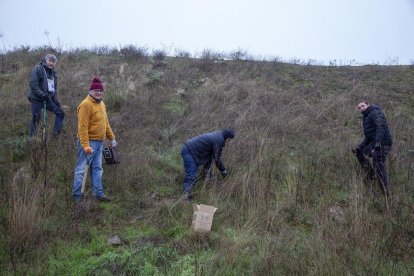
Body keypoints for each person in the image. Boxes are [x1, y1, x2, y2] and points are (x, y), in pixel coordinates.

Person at [73, 77, 117, 203]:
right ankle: (77, 198)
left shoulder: (102, 103)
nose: (98, 92)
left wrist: (111, 138)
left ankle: (98, 194)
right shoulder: (85, 105)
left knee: (97, 169)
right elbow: (82, 128)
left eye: (100, 90)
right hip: (88, 143)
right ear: (90, 91)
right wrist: (86, 146)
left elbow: (106, 123)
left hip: (99, 142)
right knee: (81, 170)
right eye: (96, 90)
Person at [181, 128, 235, 200]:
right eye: (230, 140)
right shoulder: (219, 140)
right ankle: (186, 196)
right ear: (227, 138)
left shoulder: (219, 135)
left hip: (191, 149)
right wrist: (223, 171)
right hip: (189, 150)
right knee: (192, 175)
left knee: (208, 160)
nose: (230, 142)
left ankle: (208, 178)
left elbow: (211, 156)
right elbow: (217, 159)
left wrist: (209, 173)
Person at [354, 100, 393, 196]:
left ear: (367, 105)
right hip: (374, 142)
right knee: (360, 153)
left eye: (362, 106)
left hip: (384, 143)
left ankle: (385, 192)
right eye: (359, 107)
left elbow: (381, 128)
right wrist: (359, 147)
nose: (361, 108)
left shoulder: (375, 112)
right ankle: (372, 177)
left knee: (378, 164)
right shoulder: (366, 117)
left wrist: (377, 145)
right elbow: (368, 137)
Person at [28, 54, 65, 137]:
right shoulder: (38, 69)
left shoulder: (54, 73)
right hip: (36, 99)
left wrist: (55, 101)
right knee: (36, 119)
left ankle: (55, 135)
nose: (51, 63)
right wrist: (42, 94)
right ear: (45, 60)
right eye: (50, 61)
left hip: (47, 99)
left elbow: (54, 89)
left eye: (53, 62)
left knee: (60, 113)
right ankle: (32, 139)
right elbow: (33, 84)